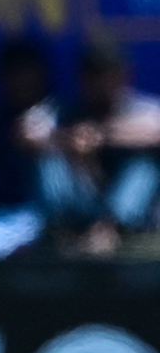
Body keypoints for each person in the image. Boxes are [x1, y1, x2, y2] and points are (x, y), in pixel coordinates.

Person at [22, 39, 160, 256]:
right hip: (79, 204)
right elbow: (27, 133)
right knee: (49, 158)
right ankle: (60, 234)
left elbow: (155, 132)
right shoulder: (65, 110)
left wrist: (101, 135)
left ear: (124, 76)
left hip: (128, 213)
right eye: (95, 75)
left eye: (108, 75)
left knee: (144, 164)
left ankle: (109, 230)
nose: (102, 83)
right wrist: (69, 139)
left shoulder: (141, 107)